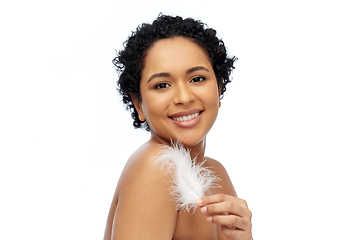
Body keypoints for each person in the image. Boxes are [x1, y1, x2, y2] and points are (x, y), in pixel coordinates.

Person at [104, 14, 253, 240]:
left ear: (219, 88)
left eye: (197, 79)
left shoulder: (217, 173)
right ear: (139, 104)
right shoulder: (156, 168)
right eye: (162, 85)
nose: (183, 97)